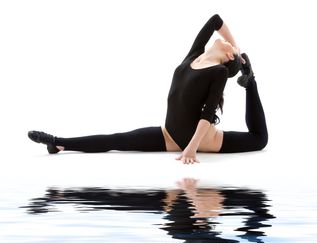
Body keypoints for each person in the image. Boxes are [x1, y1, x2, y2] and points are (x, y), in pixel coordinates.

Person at [28, 13, 268, 164]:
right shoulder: (194, 56)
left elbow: (207, 113)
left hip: (200, 140)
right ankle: (59, 142)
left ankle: (250, 83)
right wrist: (236, 49)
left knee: (259, 140)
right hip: (169, 135)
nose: (224, 39)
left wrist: (192, 149)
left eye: (227, 45)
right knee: (118, 140)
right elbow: (216, 19)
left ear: (226, 55)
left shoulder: (218, 72)